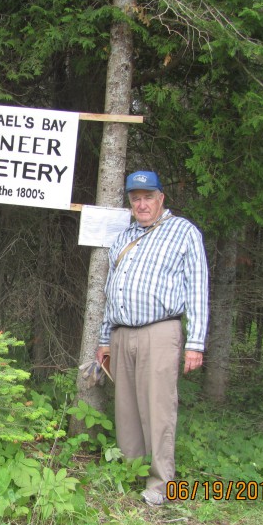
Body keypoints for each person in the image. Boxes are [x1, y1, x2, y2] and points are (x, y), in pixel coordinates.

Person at [95, 170, 209, 506]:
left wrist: (195, 343)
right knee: (126, 409)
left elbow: (198, 290)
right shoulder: (124, 236)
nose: (142, 204)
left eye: (148, 197)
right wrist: (104, 339)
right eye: (136, 198)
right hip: (121, 333)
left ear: (161, 198)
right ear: (130, 202)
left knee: (158, 408)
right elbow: (109, 293)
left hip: (160, 332)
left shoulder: (184, 233)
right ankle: (131, 472)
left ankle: (160, 484)